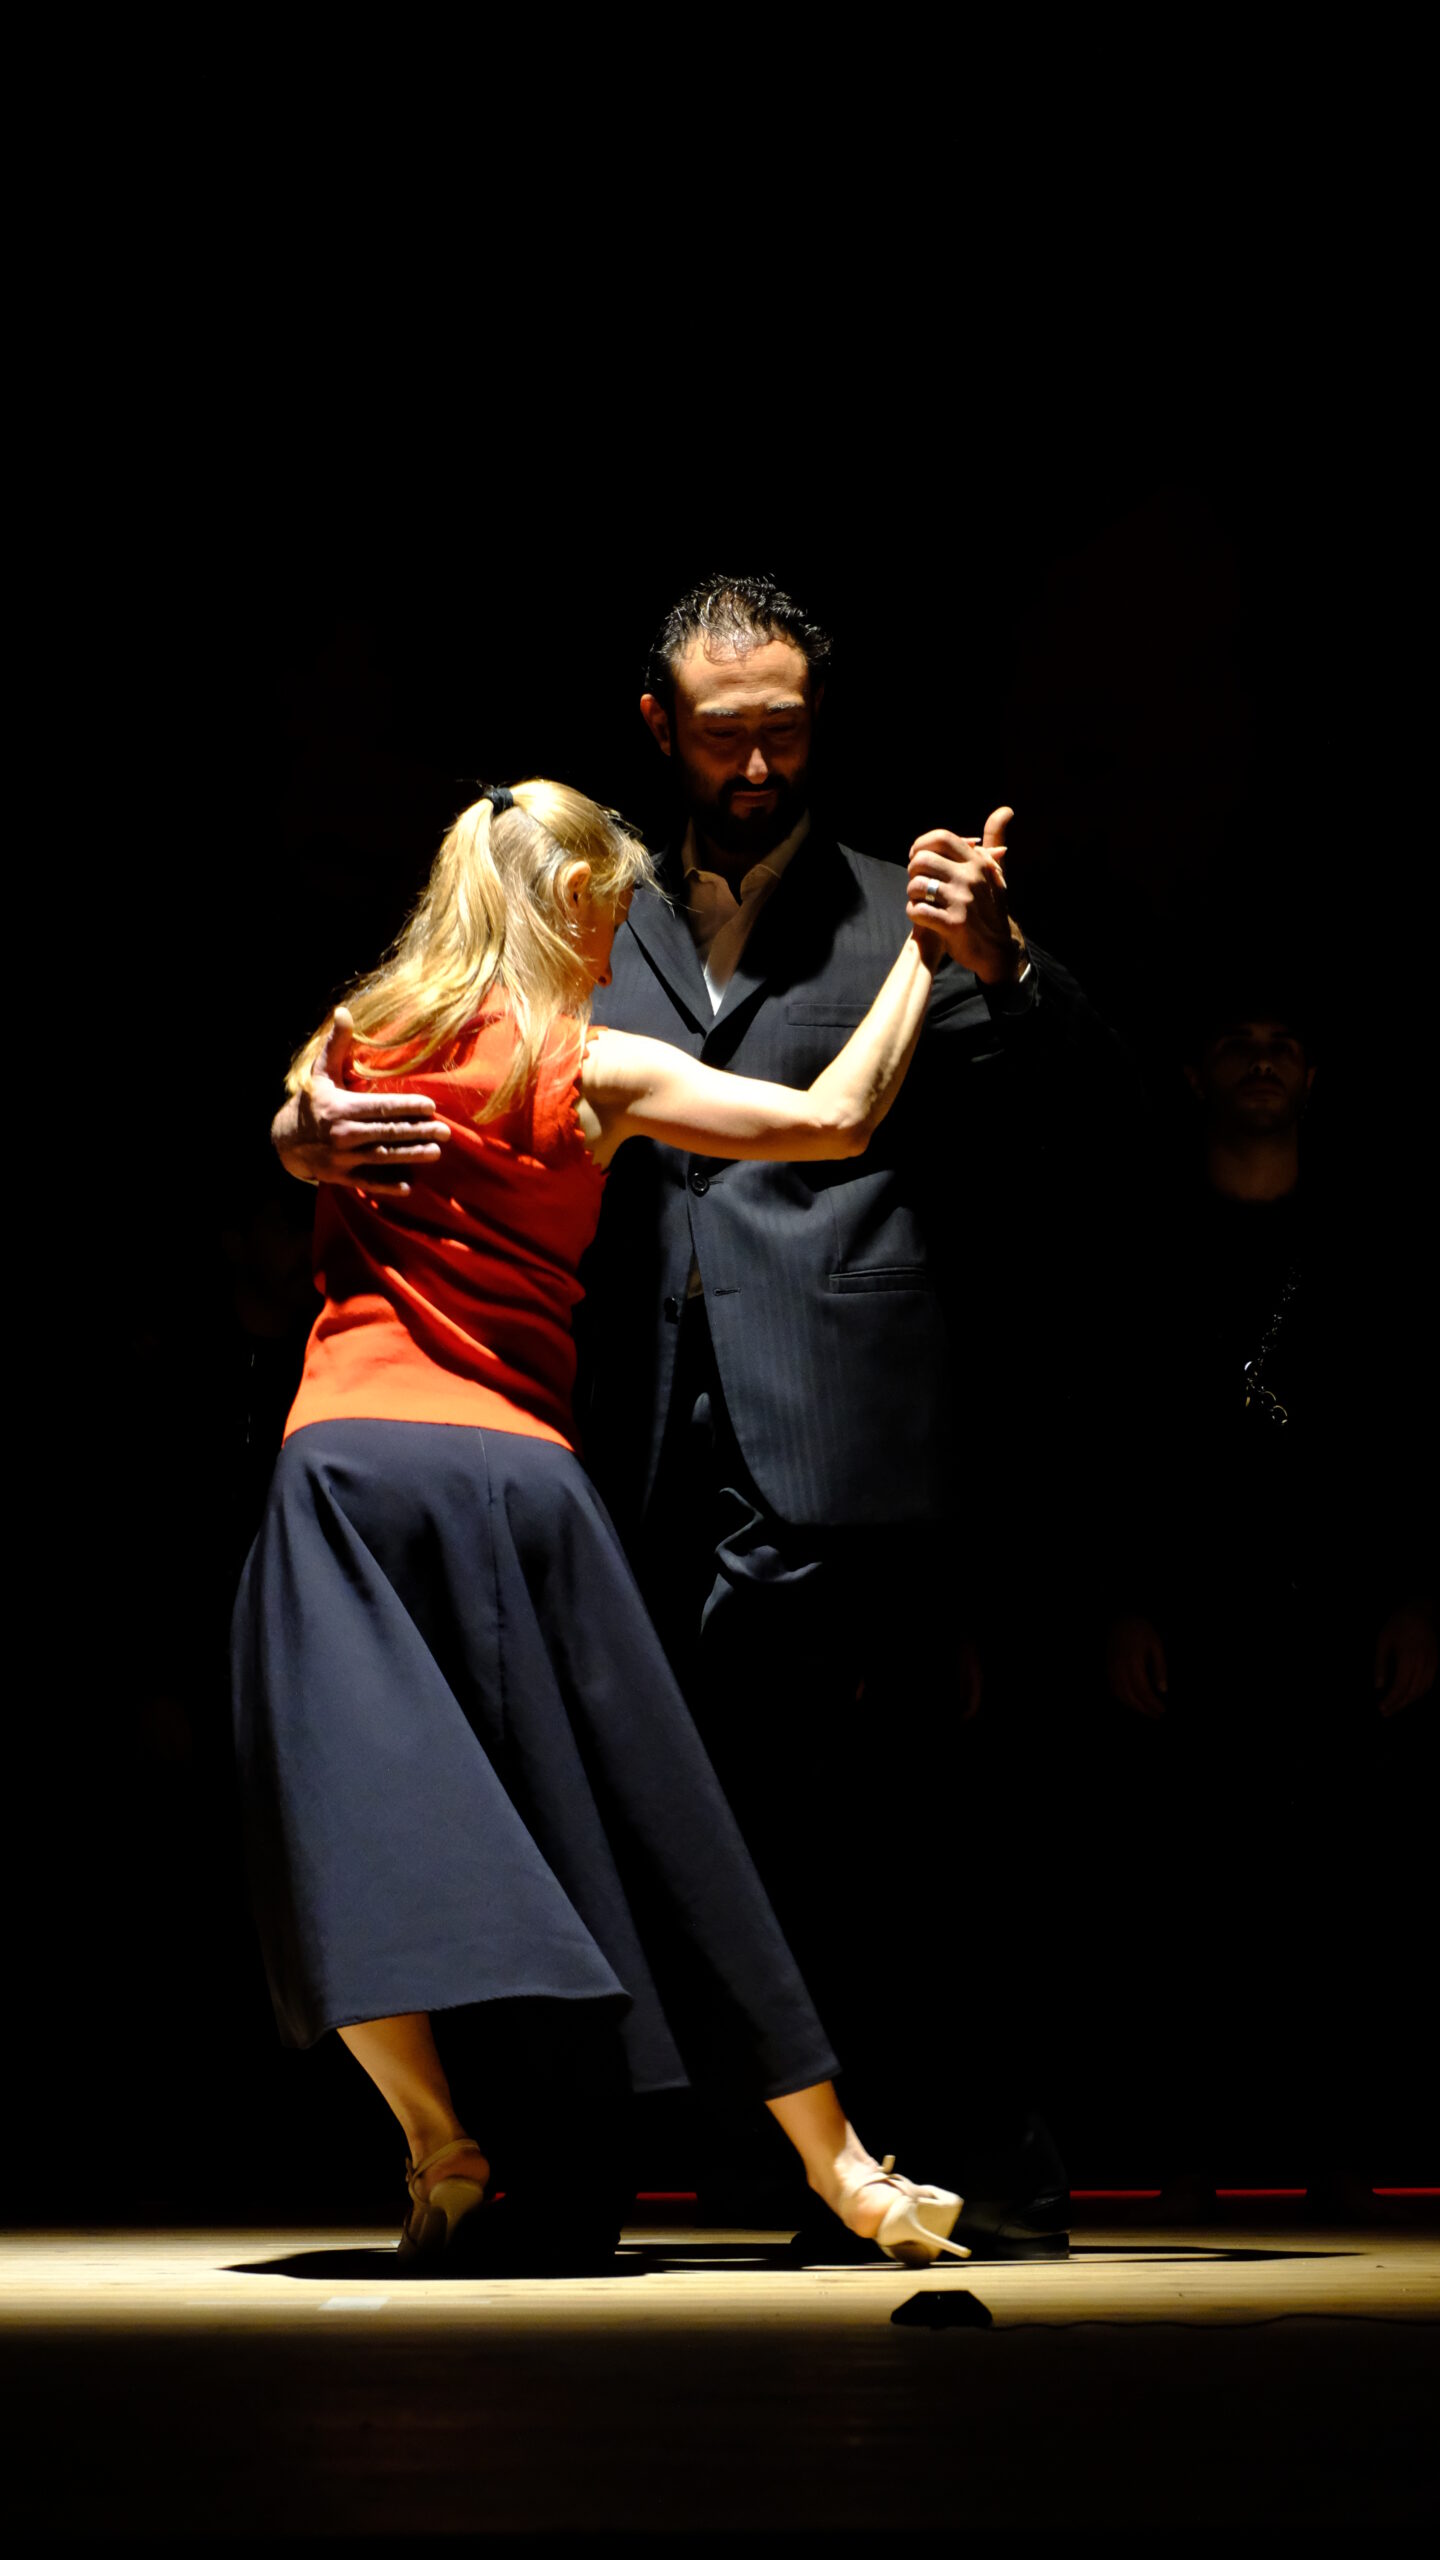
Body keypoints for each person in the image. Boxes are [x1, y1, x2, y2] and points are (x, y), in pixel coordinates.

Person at [276, 573, 1131, 2256]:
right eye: (724, 731)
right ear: (658, 728)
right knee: (623, 1817)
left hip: (835, 1430)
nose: (756, 762)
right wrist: (295, 1134)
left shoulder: (902, 906)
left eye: (786, 730)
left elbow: (1101, 1123)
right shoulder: (586, 910)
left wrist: (997, 959)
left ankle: (951, 2159)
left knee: (882, 1837)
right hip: (618, 1445)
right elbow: (349, 1075)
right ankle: (627, 2175)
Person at [238, 774, 973, 2270]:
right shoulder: (590, 1066)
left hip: (342, 1470)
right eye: (610, 911)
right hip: (513, 1476)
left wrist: (296, 1132)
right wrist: (922, 954)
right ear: (569, 901)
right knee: (666, 1814)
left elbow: (297, 1120)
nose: (616, 940)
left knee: (344, 1824)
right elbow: (835, 1119)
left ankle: (440, 2146)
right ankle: (845, 2170)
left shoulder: (351, 1042)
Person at [1095, 991, 1436, 2192]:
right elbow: (1103, 1430)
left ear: (1313, 1078)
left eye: (1283, 1044)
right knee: (1187, 1886)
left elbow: (1416, 1425)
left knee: (1344, 1885)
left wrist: (1417, 1595)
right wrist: (1122, 1598)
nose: (1262, 1060)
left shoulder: (1368, 1241)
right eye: (1238, 1043)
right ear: (1195, 1075)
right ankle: (1187, 2155)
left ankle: (1342, 2153)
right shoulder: (1145, 1237)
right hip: (1188, 1605)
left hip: (1339, 1603)